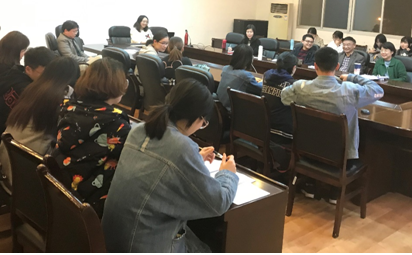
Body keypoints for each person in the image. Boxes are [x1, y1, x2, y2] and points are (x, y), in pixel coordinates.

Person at [102, 79, 238, 253]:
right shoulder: (182, 147)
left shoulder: (139, 129)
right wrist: (227, 174)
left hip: (113, 240)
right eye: (203, 123)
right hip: (144, 245)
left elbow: (158, 167)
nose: (200, 127)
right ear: (198, 117)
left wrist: (195, 158)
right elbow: (218, 203)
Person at [281, 47, 384, 202]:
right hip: (341, 155)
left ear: (315, 65)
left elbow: (284, 97)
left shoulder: (301, 87)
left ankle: (310, 184)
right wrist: (352, 77)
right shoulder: (349, 90)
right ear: (337, 66)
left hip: (308, 148)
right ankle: (335, 192)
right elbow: (378, 91)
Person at [52, 58, 131, 218]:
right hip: (87, 199)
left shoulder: (68, 107)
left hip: (60, 185)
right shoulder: (117, 123)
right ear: (118, 85)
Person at [0, 56, 79, 188]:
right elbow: (65, 137)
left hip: (4, 168)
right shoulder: (58, 100)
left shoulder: (33, 89)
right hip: (23, 178)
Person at [0, 47, 57, 153]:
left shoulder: (14, 76)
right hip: (2, 145)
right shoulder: (27, 90)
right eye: (44, 74)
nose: (49, 78)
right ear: (28, 69)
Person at [217, 44, 262, 112]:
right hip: (232, 112)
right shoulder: (245, 76)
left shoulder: (225, 68)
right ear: (249, 60)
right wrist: (263, 82)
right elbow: (261, 89)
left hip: (220, 109)